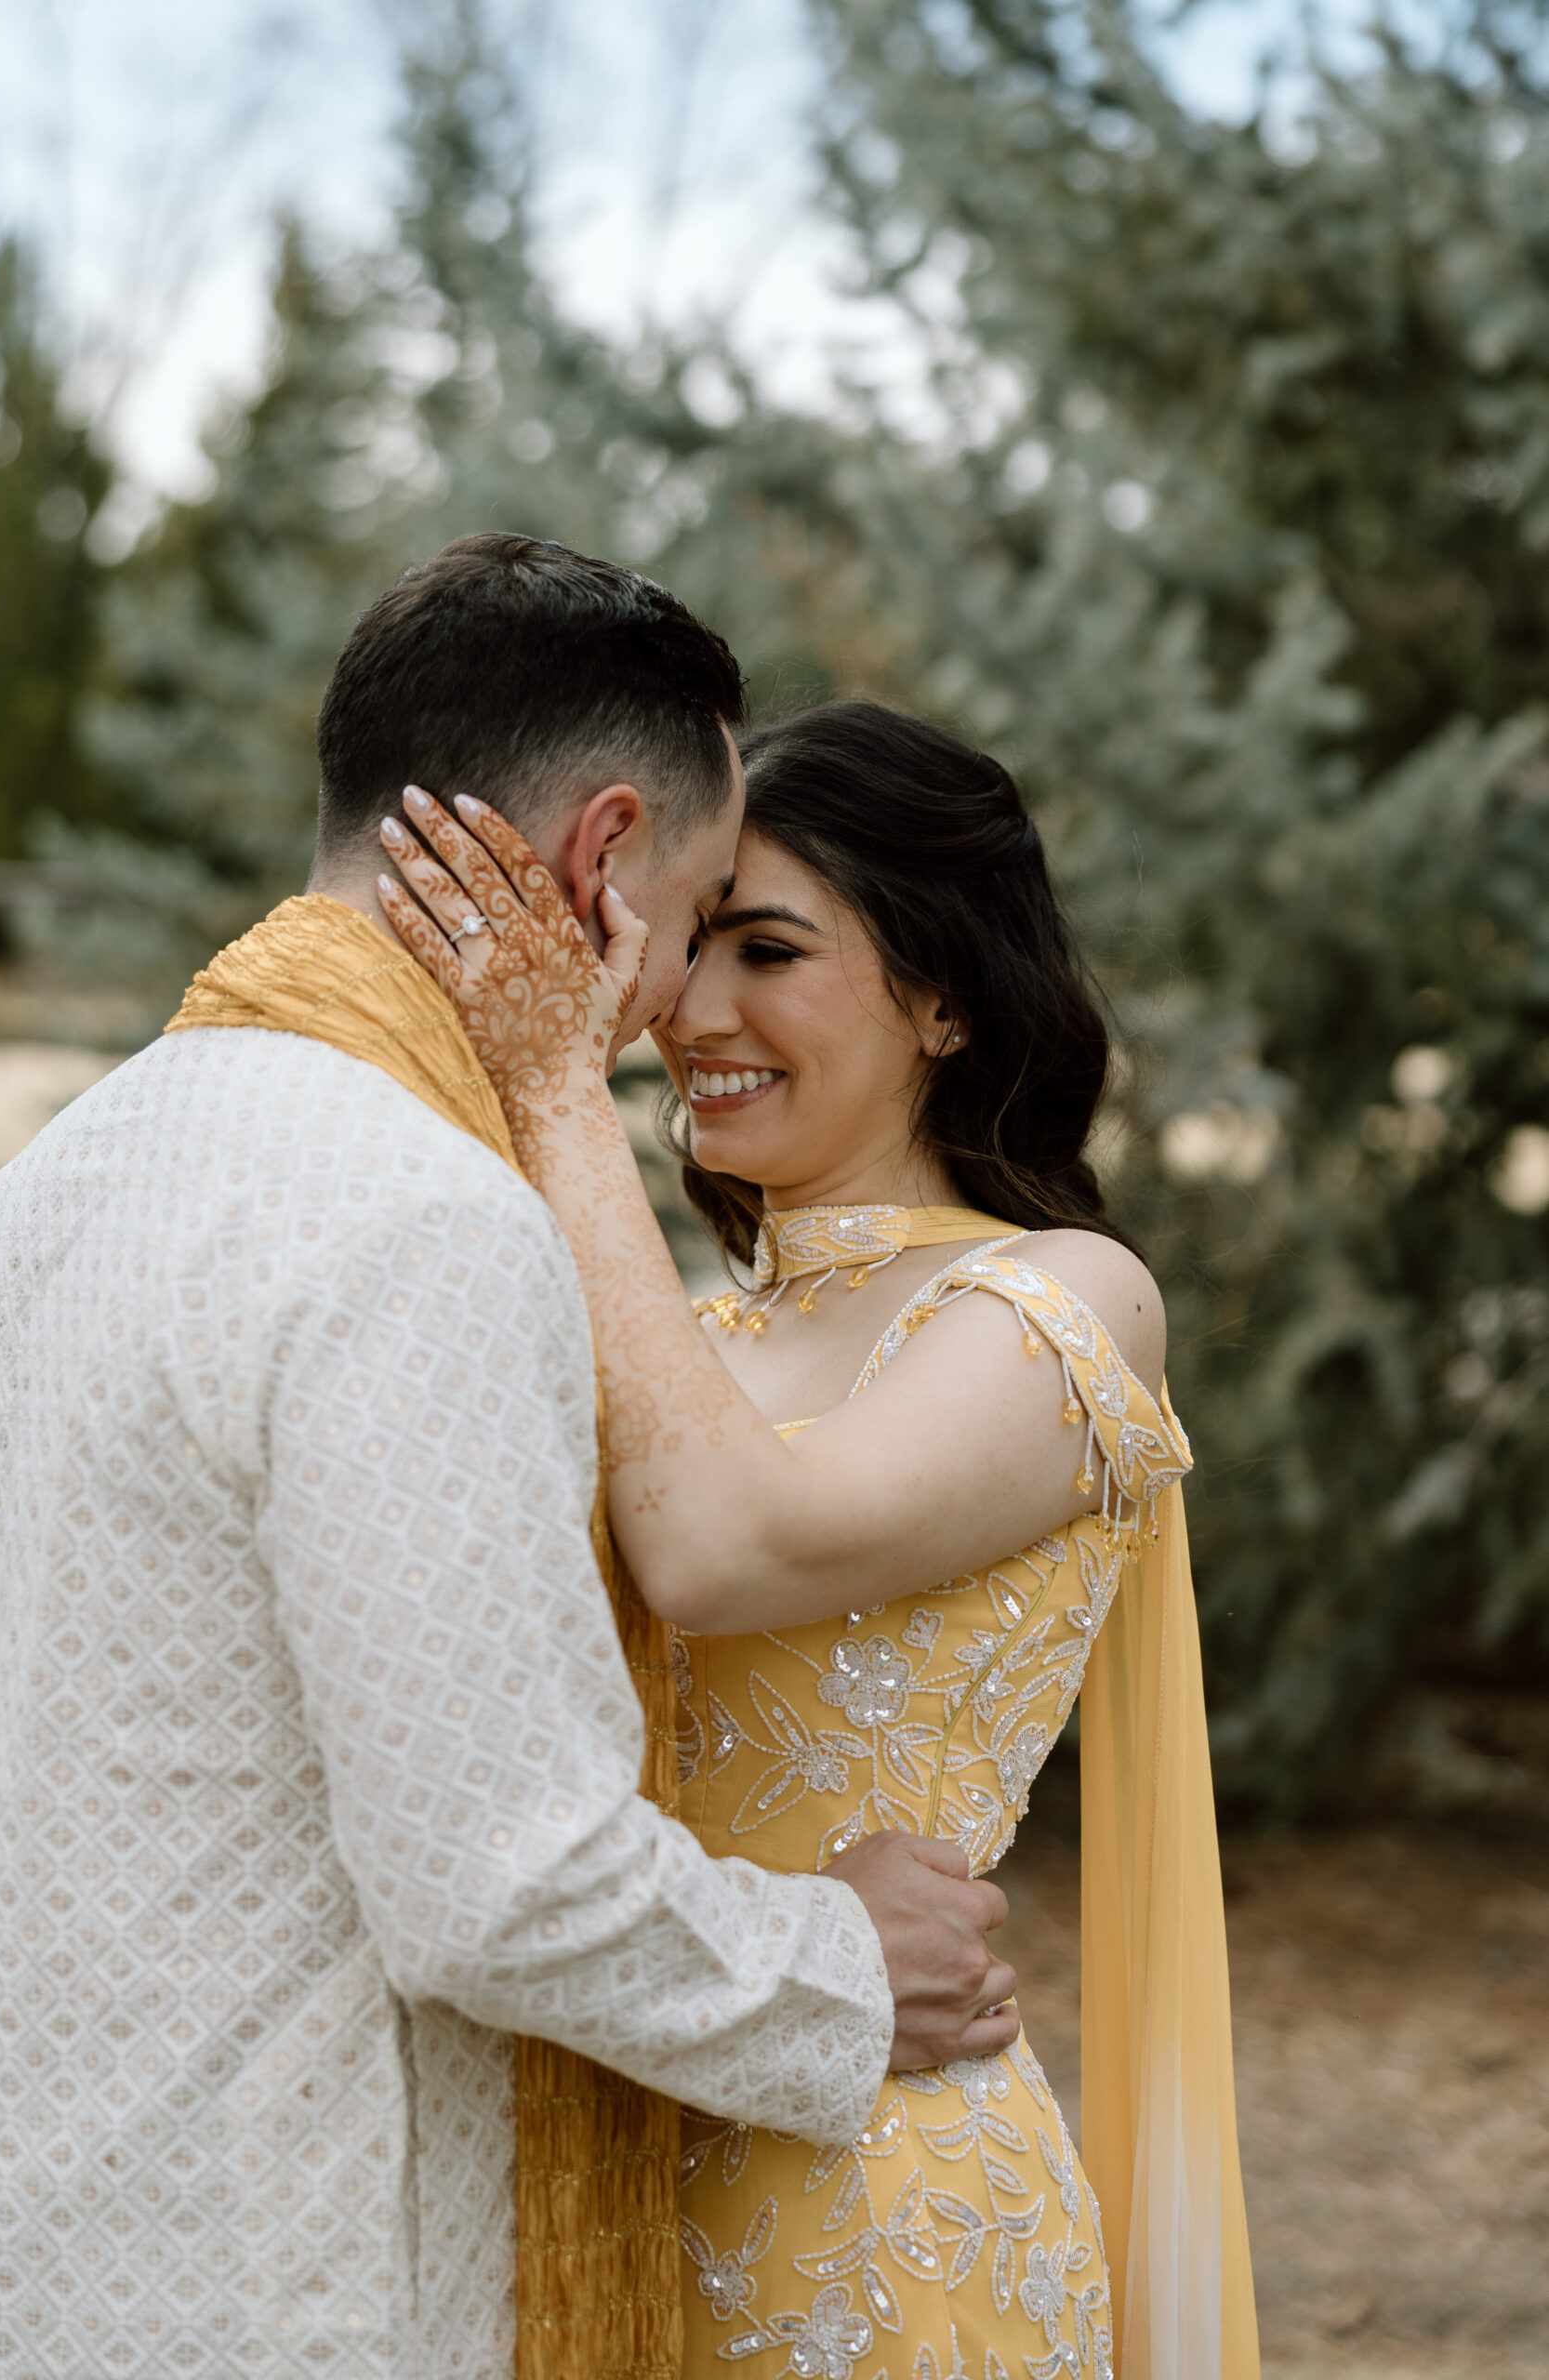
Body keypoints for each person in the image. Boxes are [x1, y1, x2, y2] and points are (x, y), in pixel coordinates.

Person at [0, 540, 1023, 2380]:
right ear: (600, 858)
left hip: (29, 2245)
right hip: (290, 2281)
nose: (677, 993)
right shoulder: (421, 1222)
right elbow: (500, 1881)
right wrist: (844, 1960)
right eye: (694, 912)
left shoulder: (54, 1179)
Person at [376, 698, 1262, 2380]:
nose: (690, 1013)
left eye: (767, 949)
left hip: (876, 2223)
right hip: (592, 2185)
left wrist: (555, 1086)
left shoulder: (1064, 1300)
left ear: (942, 998)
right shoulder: (676, 1336)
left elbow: (726, 1550)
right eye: (680, 948)